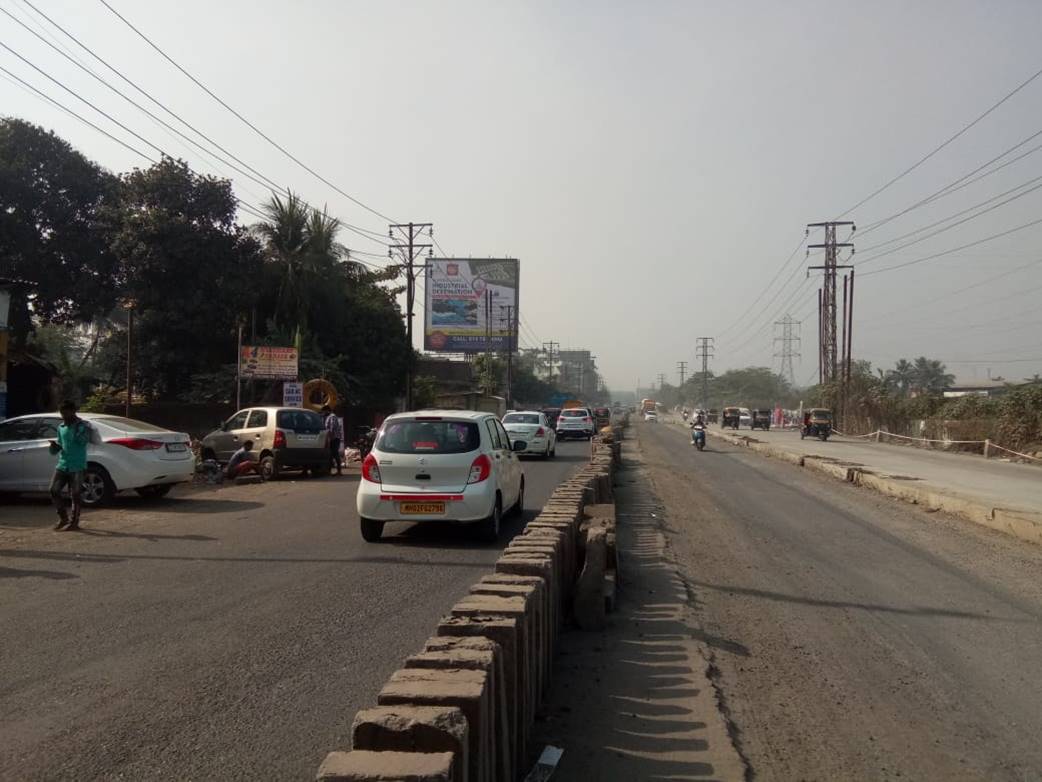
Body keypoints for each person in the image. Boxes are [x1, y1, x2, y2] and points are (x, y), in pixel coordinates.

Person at [50, 400, 92, 531]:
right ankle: (63, 518)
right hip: (63, 465)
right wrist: (54, 447)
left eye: (66, 413)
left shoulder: (82, 426)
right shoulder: (61, 428)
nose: (63, 416)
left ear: (73, 412)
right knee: (53, 490)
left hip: (77, 466)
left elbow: (83, 441)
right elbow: (57, 449)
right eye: (61, 413)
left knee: (75, 494)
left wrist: (78, 430)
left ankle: (74, 522)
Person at [323, 405, 344, 475]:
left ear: (327, 410)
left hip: (334, 438)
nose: (323, 413)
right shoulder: (330, 417)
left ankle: (339, 471)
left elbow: (332, 427)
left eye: (324, 412)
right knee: (331, 454)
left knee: (335, 453)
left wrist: (330, 438)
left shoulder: (332, 416)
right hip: (333, 438)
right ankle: (329, 471)